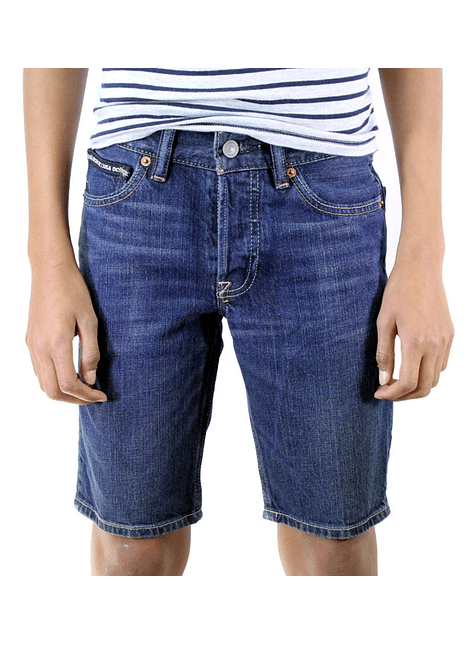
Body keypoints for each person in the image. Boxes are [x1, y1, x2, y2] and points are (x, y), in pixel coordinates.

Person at [24, 68, 454, 576]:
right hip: (137, 190)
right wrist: (47, 262)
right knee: (132, 548)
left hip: (321, 191)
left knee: (333, 549)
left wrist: (425, 255)